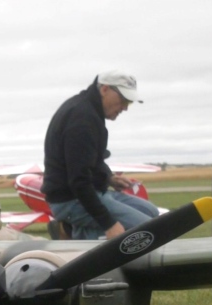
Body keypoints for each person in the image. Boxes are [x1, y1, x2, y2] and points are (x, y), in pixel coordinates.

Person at [41, 70, 160, 240]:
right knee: (145, 231)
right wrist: (108, 223)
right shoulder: (82, 120)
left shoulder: (90, 112)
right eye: (123, 100)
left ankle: (72, 230)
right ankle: (71, 234)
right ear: (104, 89)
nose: (125, 107)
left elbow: (92, 160)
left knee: (151, 212)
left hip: (89, 193)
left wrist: (109, 178)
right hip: (70, 200)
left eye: (129, 102)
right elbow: (79, 180)